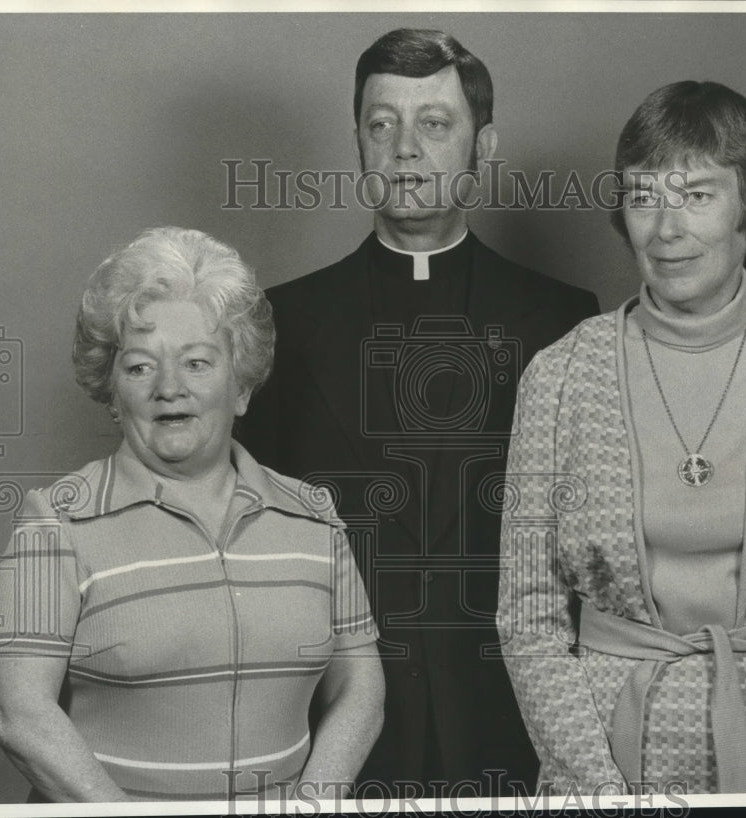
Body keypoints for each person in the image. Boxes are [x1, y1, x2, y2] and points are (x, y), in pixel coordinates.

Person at [497, 81, 746, 794]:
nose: (665, 227)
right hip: (606, 760)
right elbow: (528, 617)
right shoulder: (558, 375)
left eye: (697, 195)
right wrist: (598, 788)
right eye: (645, 195)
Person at [239, 29, 599, 795]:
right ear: (359, 143)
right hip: (336, 722)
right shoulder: (282, 324)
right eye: (381, 124)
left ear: (483, 144)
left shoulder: (563, 318)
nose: (405, 149)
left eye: (434, 123)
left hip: (520, 715)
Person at [0, 227, 384, 802]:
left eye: (197, 363)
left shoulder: (313, 517)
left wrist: (314, 803)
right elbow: (12, 711)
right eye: (141, 367)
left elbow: (361, 684)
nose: (170, 389)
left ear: (241, 385)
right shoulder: (55, 523)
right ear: (112, 392)